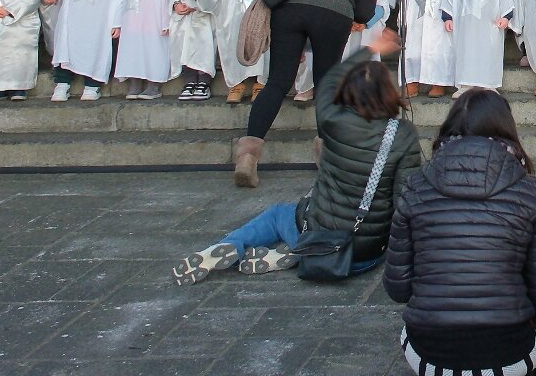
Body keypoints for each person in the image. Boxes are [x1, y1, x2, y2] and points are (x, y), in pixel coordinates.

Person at [386, 87, 536, 376]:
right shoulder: (530, 191)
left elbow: (397, 287)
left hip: (429, 345)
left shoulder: (415, 186)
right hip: (505, 344)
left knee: (434, 342)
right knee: (524, 368)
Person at [177, 39, 421, 275]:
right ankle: (295, 254)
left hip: (318, 232)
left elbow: (329, 82)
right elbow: (404, 198)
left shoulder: (333, 120)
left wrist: (371, 48)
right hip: (364, 254)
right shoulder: (403, 134)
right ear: (388, 92)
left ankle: (234, 244)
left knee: (279, 215)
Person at [234, 0, 383, 186]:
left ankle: (247, 156)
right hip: (333, 14)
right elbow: (364, 11)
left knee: (277, 82)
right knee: (326, 85)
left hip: (290, 9)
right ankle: (328, 160)